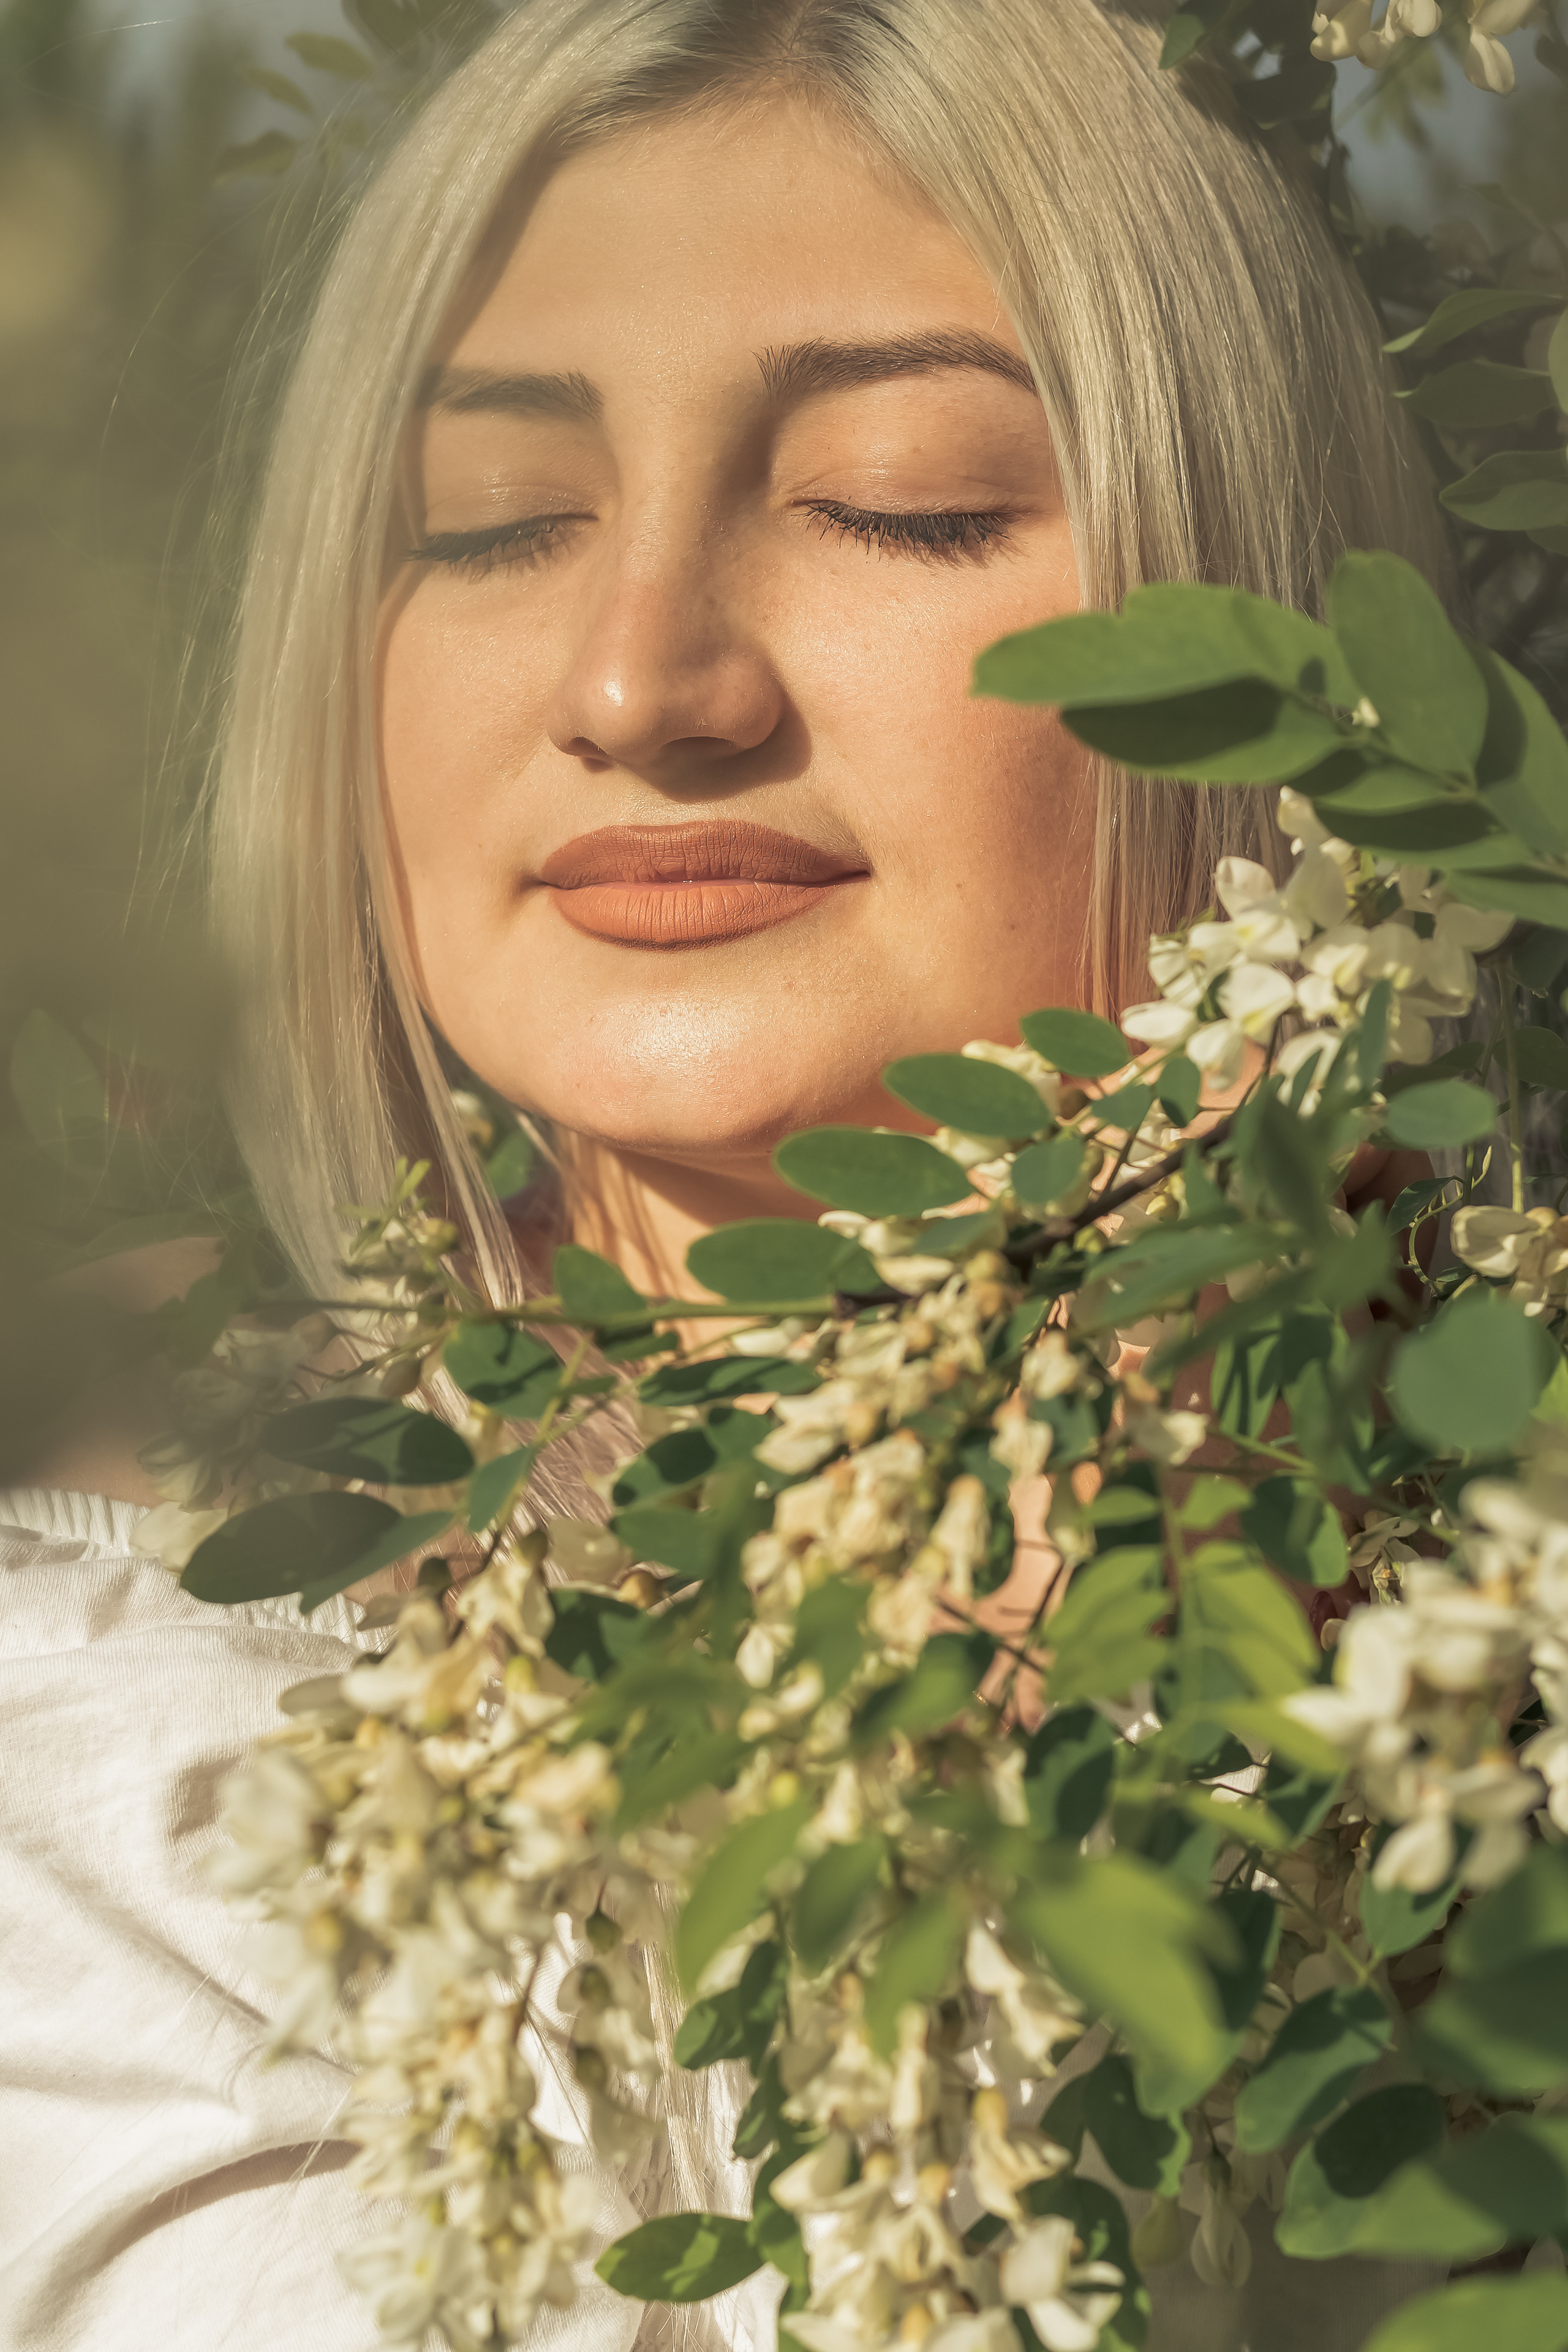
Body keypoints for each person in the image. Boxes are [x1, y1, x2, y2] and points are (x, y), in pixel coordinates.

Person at [0, 2, 1443, 2346]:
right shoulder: (122, 1659)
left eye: (899, 496)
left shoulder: (1476, 1576)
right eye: (493, 519)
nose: (642, 678)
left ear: (1266, 629)